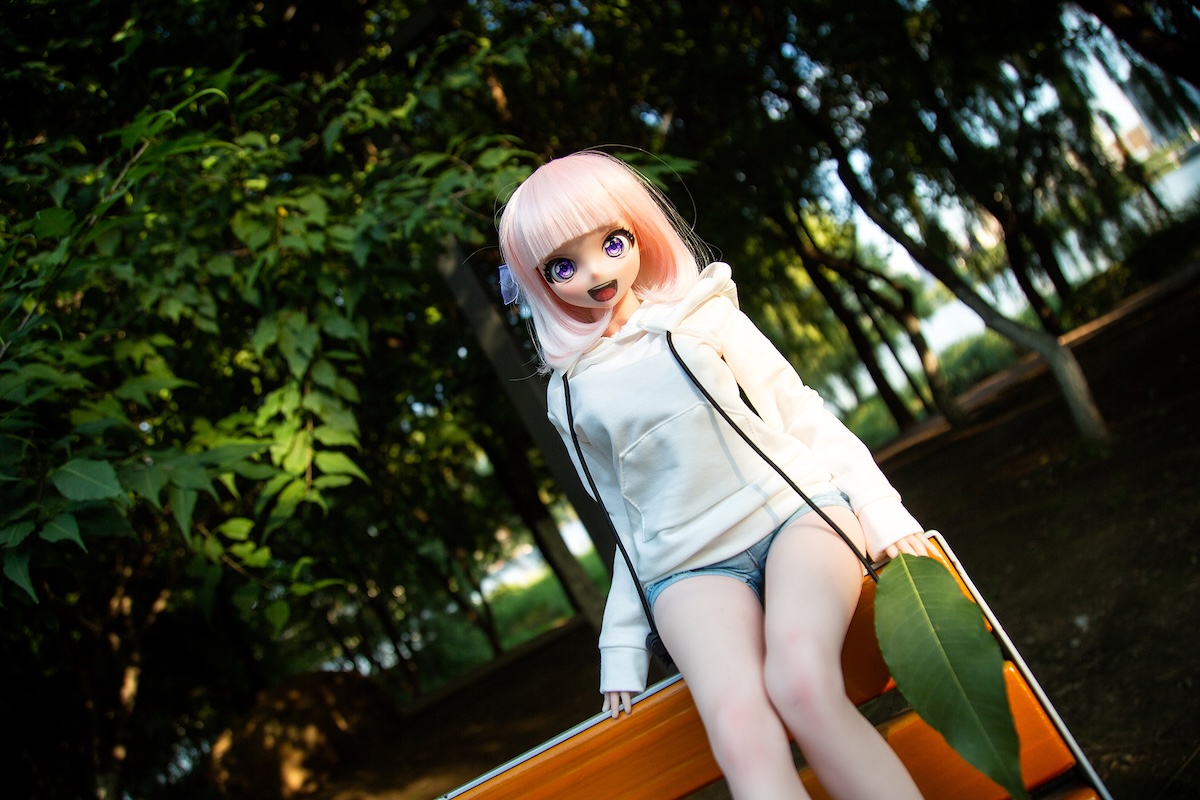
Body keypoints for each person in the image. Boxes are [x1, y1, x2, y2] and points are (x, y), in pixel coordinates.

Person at [496, 150, 930, 799]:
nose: (597, 273)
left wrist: (880, 506)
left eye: (612, 243)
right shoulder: (569, 392)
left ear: (638, 230)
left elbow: (798, 410)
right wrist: (621, 640)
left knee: (802, 683)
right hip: (686, 567)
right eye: (563, 266)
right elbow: (623, 519)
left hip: (794, 513)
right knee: (739, 731)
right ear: (538, 282)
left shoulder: (702, 312)